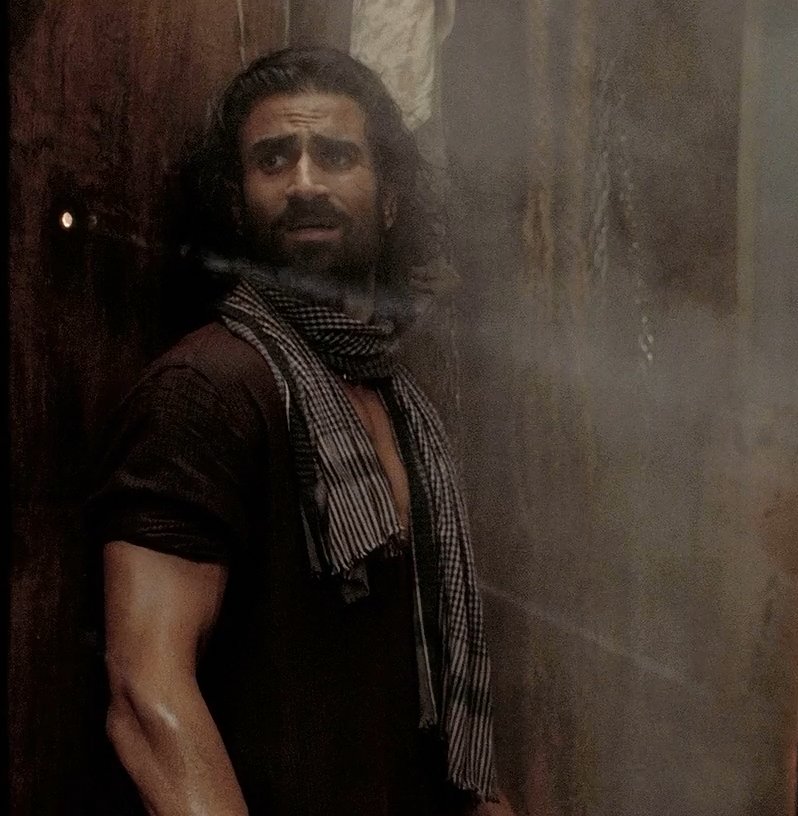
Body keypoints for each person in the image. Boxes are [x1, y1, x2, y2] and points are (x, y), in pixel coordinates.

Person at [90, 46, 509, 815]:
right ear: (237, 203)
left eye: (337, 156)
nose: (306, 183)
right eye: (274, 159)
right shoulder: (207, 390)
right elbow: (147, 694)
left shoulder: (401, 400)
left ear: (389, 200)